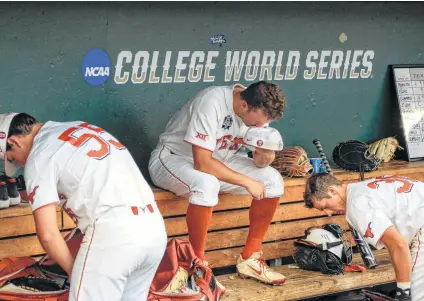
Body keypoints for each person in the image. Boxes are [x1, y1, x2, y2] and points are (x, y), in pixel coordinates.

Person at [0, 112, 167, 301]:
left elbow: (47, 235)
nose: (19, 163)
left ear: (14, 142)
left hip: (115, 235)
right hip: (154, 229)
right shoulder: (78, 127)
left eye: (12, 157)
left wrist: (76, 272)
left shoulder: (39, 154)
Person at [148, 81, 287, 286]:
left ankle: (250, 259)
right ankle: (197, 265)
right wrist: (246, 181)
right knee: (207, 184)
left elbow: (259, 162)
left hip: (221, 160)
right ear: (244, 106)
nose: (259, 127)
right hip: (172, 158)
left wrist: (266, 155)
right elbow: (202, 162)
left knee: (273, 181)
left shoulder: (258, 111)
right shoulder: (212, 101)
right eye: (257, 124)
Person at [304, 173, 424, 301]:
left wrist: (403, 293)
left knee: (417, 296)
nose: (328, 213)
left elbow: (399, 245)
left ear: (332, 190)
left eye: (325, 206)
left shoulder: (356, 204)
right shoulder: (361, 188)